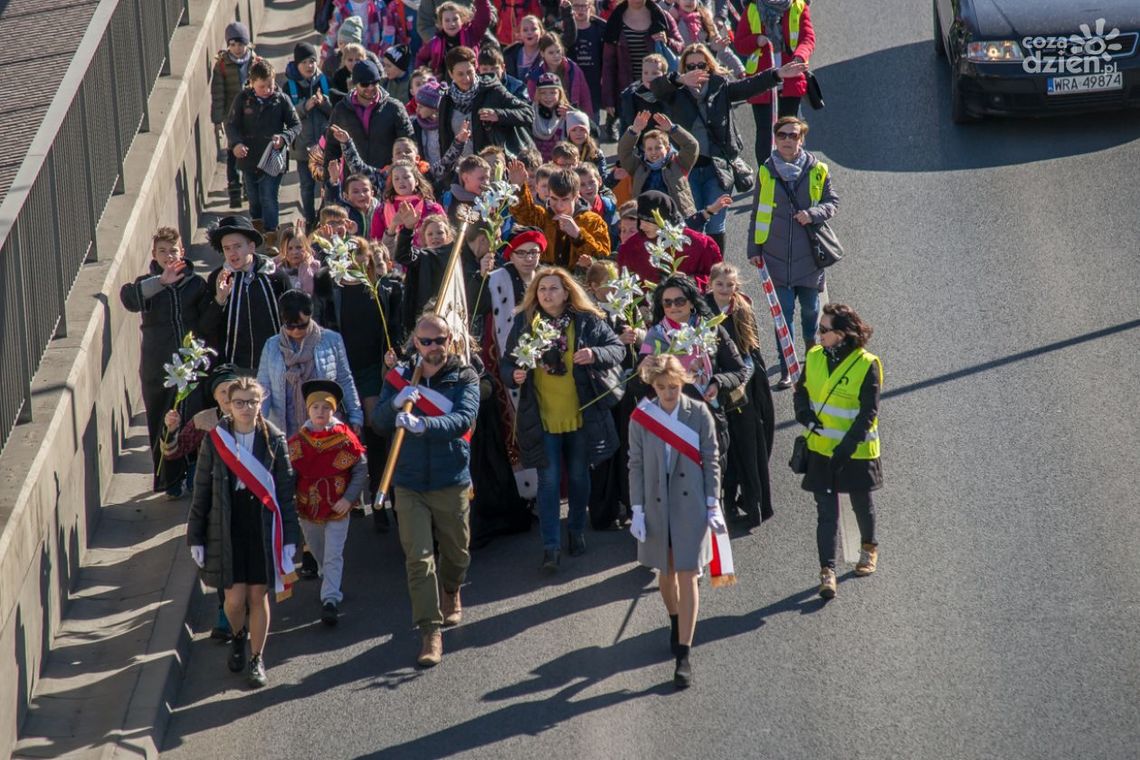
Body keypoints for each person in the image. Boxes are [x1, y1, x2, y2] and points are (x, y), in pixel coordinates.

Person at [373, 314, 481, 666]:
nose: (433, 348)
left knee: (457, 551)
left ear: (450, 340)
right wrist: (393, 404)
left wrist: (424, 424)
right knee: (419, 559)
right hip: (409, 481)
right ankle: (429, 632)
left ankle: (452, 588)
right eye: (425, 341)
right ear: (415, 343)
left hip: (451, 478)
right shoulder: (401, 376)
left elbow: (462, 419)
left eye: (440, 340)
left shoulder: (465, 376)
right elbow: (378, 422)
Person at [502, 267, 624, 572]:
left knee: (580, 476)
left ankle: (576, 530)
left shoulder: (587, 320)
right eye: (542, 289)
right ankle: (551, 547)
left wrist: (595, 354)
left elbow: (617, 348)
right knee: (549, 480)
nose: (546, 294)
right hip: (542, 416)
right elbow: (508, 362)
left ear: (567, 291)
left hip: (581, 414)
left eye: (553, 288)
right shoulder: (526, 321)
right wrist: (513, 375)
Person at [187, 377, 299, 688]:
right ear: (229, 405)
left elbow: (285, 495)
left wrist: (290, 539)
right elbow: (202, 490)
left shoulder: (274, 439)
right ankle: (238, 636)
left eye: (252, 402)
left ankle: (256, 658)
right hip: (228, 521)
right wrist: (195, 535)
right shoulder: (216, 439)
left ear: (261, 403)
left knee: (257, 595)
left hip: (261, 522)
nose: (246, 408)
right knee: (234, 601)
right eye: (240, 403)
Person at [648, 43, 807, 254]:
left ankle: (715, 268)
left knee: (715, 224)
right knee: (693, 221)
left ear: (709, 65)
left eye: (701, 64)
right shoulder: (675, 92)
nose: (696, 68)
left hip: (718, 168)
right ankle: (697, 272)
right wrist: (679, 79)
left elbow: (748, 86)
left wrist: (777, 74)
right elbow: (656, 87)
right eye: (690, 65)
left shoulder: (719, 85)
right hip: (687, 169)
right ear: (684, 67)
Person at [628, 353, 724, 688]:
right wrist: (636, 509)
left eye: (673, 386)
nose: (668, 392)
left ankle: (684, 652)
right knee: (665, 572)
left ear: (682, 381)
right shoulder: (642, 418)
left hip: (691, 505)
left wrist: (713, 502)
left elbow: (712, 459)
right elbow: (636, 465)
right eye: (661, 387)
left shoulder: (697, 412)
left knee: (689, 574)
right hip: (656, 506)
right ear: (652, 385)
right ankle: (674, 617)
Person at [792, 303, 882, 600]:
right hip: (821, 449)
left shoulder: (866, 363)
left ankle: (868, 548)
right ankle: (826, 571)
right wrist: (804, 414)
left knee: (860, 502)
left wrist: (847, 446)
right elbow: (802, 391)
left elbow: (868, 412)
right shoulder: (815, 356)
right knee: (825, 512)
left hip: (854, 450)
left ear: (842, 334)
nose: (817, 335)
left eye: (823, 330)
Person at [746, 115, 837, 388]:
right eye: (783, 135)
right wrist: (753, 248)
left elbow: (832, 202)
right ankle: (788, 365)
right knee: (782, 316)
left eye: (793, 135)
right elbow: (756, 211)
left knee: (810, 310)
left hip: (809, 256)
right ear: (775, 138)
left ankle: (811, 349)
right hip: (774, 256)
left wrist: (813, 213)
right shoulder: (766, 170)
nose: (788, 140)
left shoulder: (818, 169)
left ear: (802, 139)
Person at [120, 227, 209, 498]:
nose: (169, 256)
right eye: (163, 251)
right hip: (157, 365)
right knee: (162, 419)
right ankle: (169, 480)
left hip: (190, 362)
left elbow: (207, 319)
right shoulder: (147, 283)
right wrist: (160, 282)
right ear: (154, 255)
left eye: (173, 250)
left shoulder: (195, 284)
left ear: (182, 251)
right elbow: (129, 299)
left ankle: (194, 471)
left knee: (192, 418)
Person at [163, 363, 245, 641]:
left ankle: (245, 610)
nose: (226, 395)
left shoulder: (252, 417)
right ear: (215, 396)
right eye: (222, 391)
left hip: (246, 499)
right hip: (212, 500)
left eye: (231, 389)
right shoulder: (204, 420)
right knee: (220, 557)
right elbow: (173, 451)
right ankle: (225, 613)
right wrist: (170, 429)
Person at [640, 273, 748, 475]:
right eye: (667, 302)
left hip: (708, 419)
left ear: (691, 302)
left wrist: (717, 383)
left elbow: (739, 370)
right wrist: (645, 370)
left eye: (680, 300)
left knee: (710, 494)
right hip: (669, 424)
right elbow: (640, 385)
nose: (674, 307)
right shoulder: (655, 336)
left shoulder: (711, 331)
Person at [288, 379, 368, 625]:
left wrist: (348, 498)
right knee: (318, 549)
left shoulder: (345, 438)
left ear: (334, 410)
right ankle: (327, 576)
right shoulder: (298, 441)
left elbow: (359, 469)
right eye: (316, 407)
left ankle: (330, 599)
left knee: (334, 553)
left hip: (337, 505)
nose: (320, 412)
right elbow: (289, 473)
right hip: (308, 506)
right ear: (308, 410)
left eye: (326, 407)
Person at [705, 262, 774, 526]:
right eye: (720, 284)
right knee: (723, 450)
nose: (724, 289)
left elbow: (750, 351)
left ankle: (751, 502)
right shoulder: (701, 309)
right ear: (710, 284)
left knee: (747, 446)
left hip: (742, 388)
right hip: (713, 386)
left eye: (730, 285)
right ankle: (726, 500)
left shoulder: (742, 308)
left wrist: (742, 379)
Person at [257, 290, 363, 439]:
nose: (296, 331)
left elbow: (345, 379)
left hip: (324, 424)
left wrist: (355, 415)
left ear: (310, 316)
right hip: (285, 427)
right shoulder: (271, 345)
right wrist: (260, 423)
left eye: (302, 326)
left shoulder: (332, 340)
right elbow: (263, 388)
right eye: (290, 326)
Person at [225, 59, 302, 248]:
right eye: (262, 86)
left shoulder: (281, 99)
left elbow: (295, 124)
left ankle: (271, 236)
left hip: (272, 159)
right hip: (249, 158)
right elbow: (232, 125)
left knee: (269, 196)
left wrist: (283, 138)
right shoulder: (243, 99)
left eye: (270, 85)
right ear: (252, 83)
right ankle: (257, 229)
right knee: (254, 198)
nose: (267, 90)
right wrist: (236, 144)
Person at [199, 216, 292, 371]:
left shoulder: (274, 276)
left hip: (275, 366)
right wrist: (220, 299)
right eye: (226, 248)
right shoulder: (218, 278)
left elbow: (291, 319)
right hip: (233, 368)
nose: (232, 253)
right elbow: (205, 327)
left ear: (251, 247)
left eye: (237, 246)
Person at [733, 0, 815, 163]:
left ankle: (791, 171)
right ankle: (766, 175)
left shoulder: (798, 6)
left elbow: (808, 39)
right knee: (765, 132)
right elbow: (740, 44)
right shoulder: (752, 9)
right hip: (763, 83)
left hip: (790, 81)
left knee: (789, 131)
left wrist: (800, 56)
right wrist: (756, 40)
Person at [507, 160, 610, 270]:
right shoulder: (543, 216)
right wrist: (518, 187)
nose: (559, 206)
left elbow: (604, 258)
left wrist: (578, 236)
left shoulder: (593, 221)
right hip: (545, 279)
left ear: (576, 197)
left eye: (565, 200)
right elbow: (523, 213)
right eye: (554, 199)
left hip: (579, 283)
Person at [600, 0, 683, 135]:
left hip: (660, 91)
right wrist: (608, 98)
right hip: (630, 93)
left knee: (662, 138)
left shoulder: (661, 16)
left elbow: (680, 46)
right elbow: (608, 63)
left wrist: (668, 41)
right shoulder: (616, 19)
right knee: (632, 137)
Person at [436, 47, 535, 159]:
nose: (466, 78)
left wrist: (498, 115)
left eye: (469, 72)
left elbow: (528, 113)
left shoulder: (492, 90)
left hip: (491, 166)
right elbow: (444, 139)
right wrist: (447, 173)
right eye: (460, 74)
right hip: (460, 169)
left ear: (476, 68)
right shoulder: (447, 99)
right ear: (450, 74)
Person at [324, 60, 415, 176]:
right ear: (355, 84)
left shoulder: (395, 108)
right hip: (355, 184)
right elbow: (331, 149)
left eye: (375, 82)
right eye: (364, 84)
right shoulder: (341, 110)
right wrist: (329, 183)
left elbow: (410, 143)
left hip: (389, 180)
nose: (370, 87)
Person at [617, 191, 723, 288]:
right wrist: (640, 306)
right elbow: (625, 285)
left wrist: (690, 281)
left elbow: (719, 280)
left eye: (647, 221)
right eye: (640, 220)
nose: (642, 227)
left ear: (662, 220)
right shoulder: (630, 248)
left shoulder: (701, 244)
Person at [617, 111, 700, 223]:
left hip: (679, 220)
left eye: (658, 148)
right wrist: (634, 131)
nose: (654, 152)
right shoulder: (638, 167)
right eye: (649, 149)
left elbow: (692, 146)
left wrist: (673, 129)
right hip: (647, 222)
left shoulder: (679, 163)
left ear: (668, 148)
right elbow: (624, 151)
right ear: (644, 151)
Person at [285, 43, 333, 229]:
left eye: (312, 61)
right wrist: (305, 106)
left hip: (323, 146)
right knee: (306, 186)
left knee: (325, 185)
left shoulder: (324, 81)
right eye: (304, 62)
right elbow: (288, 116)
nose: (309, 66)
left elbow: (334, 112)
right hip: (303, 146)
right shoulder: (289, 86)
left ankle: (323, 218)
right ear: (297, 64)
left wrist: (323, 103)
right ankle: (310, 219)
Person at [211, 22, 258, 208]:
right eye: (233, 45)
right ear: (228, 45)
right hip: (232, 117)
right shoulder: (222, 66)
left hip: (252, 116)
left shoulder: (255, 62)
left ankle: (248, 185)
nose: (237, 49)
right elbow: (218, 94)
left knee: (249, 151)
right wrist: (218, 119)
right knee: (232, 153)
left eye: (241, 44)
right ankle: (234, 188)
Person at [415, 0, 493, 77]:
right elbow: (420, 58)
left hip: (471, 79)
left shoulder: (471, 34)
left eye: (455, 19)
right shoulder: (435, 42)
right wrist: (426, 76)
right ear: (441, 23)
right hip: (445, 83)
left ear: (462, 20)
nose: (451, 24)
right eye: (447, 20)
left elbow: (484, 19)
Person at [525, 33, 593, 116]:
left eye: (558, 51)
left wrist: (587, 120)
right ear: (542, 53)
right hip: (545, 120)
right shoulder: (535, 76)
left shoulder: (573, 69)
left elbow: (585, 98)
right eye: (551, 53)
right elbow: (533, 102)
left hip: (572, 118)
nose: (556, 56)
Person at [566, 0, 608, 125]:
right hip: (571, 82)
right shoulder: (565, 30)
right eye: (576, 6)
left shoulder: (600, 29)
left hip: (593, 82)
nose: (580, 10)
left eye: (584, 6)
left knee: (593, 122)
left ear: (591, 7)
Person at [275, 227, 322, 294]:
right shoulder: (278, 269)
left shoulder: (315, 266)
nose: (294, 252)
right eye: (290, 248)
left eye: (299, 247)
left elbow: (309, 291)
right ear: (283, 250)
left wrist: (305, 266)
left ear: (306, 247)